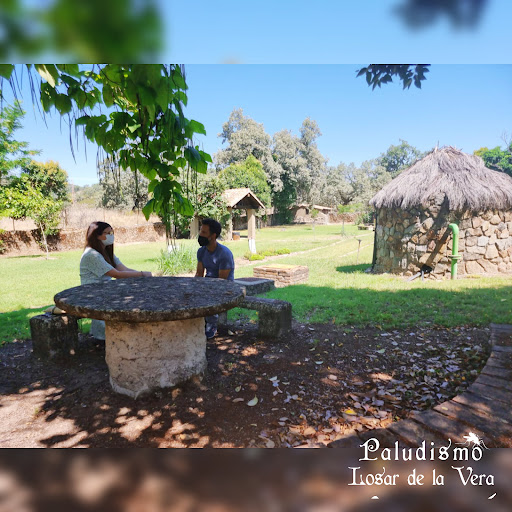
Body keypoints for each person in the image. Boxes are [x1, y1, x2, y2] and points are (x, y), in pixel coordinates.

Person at [80, 221, 152, 340]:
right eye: (107, 233)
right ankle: (107, 337)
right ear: (96, 235)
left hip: (105, 289)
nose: (110, 235)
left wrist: (141, 276)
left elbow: (124, 269)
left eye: (111, 232)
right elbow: (117, 274)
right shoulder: (92, 255)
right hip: (93, 293)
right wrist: (142, 274)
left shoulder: (105, 252)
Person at [195, 218, 235, 339]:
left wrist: (204, 288)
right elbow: (199, 274)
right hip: (208, 283)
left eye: (204, 233)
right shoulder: (201, 252)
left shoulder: (224, 254)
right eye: (200, 232)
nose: (200, 235)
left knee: (208, 296)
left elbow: (221, 281)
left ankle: (212, 324)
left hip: (225, 285)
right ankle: (197, 323)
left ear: (213, 236)